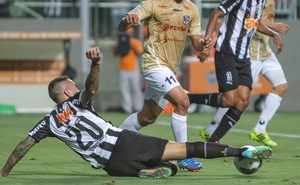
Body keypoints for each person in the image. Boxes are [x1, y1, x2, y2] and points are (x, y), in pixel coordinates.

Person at [0, 46, 272, 179]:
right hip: (123, 142)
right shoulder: (76, 102)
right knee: (185, 150)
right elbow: (92, 89)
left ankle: (153, 169)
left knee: (166, 168)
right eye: (71, 83)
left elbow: (22, 147)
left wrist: (4, 173)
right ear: (68, 93)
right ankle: (241, 152)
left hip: (111, 167)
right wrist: (96, 64)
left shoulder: (47, 122)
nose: (75, 83)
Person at [117, 0, 212, 171]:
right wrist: (128, 21)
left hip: (169, 69)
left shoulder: (191, 9)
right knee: (182, 101)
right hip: (154, 65)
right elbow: (122, 26)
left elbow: (195, 43)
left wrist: (202, 44)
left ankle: (113, 139)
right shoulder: (152, 4)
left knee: (147, 117)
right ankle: (184, 154)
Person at [188, 0, 283, 143]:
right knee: (230, 100)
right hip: (227, 52)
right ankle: (190, 98)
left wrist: (273, 34)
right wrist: (206, 45)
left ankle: (213, 140)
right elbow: (217, 13)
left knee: (243, 101)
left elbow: (253, 23)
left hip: (243, 56)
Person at [114, 28, 144, 113]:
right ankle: (127, 108)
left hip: (134, 69)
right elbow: (115, 53)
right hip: (123, 69)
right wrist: (119, 44)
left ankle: (138, 108)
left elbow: (139, 53)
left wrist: (130, 44)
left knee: (136, 89)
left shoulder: (135, 42)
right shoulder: (121, 41)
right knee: (124, 90)